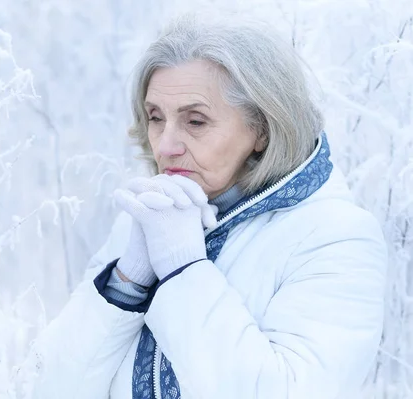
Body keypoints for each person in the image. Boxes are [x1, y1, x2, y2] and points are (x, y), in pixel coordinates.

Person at [28, 12, 387, 399]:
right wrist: (126, 284)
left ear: (262, 130)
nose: (165, 146)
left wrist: (184, 270)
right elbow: (44, 387)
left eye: (195, 121)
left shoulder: (336, 237)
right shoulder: (150, 222)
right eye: (155, 118)